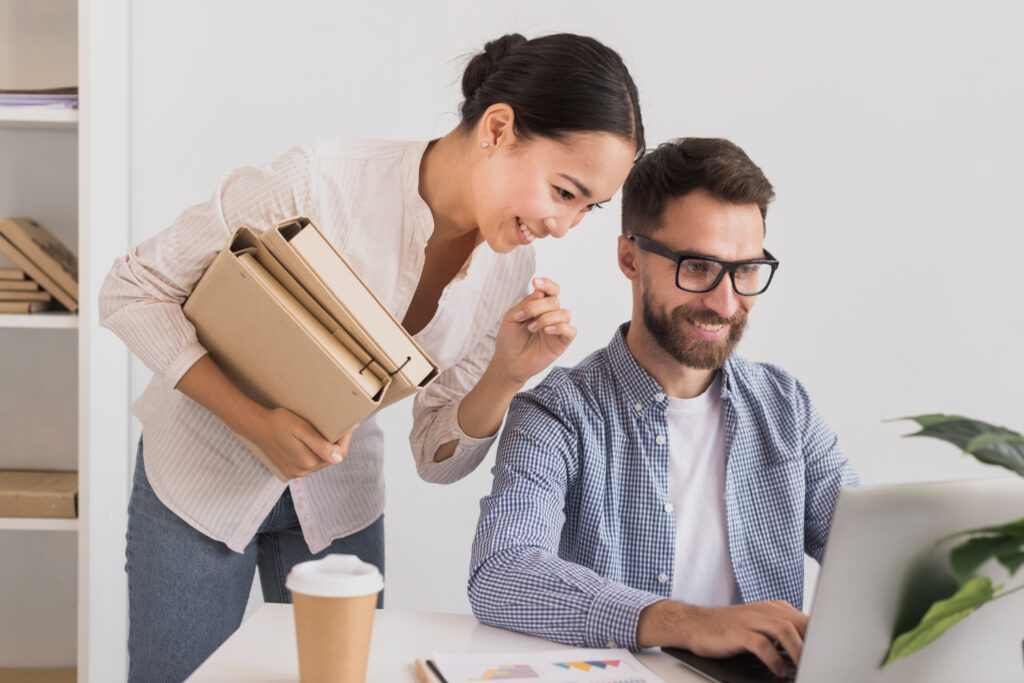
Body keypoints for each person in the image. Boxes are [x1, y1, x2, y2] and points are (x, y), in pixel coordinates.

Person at [99, 32, 643, 682]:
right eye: (564, 191)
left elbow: (434, 456)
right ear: (497, 128)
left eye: (589, 207)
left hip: (336, 506)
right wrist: (255, 421)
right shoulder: (320, 181)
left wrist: (506, 374)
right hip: (196, 482)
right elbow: (131, 288)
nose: (566, 225)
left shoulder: (509, 269)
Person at [468, 138, 859, 678]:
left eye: (746, 270)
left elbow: (871, 553)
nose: (725, 304)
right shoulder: (559, 412)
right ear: (631, 257)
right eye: (698, 268)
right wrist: (690, 623)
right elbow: (502, 572)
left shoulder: (786, 408)